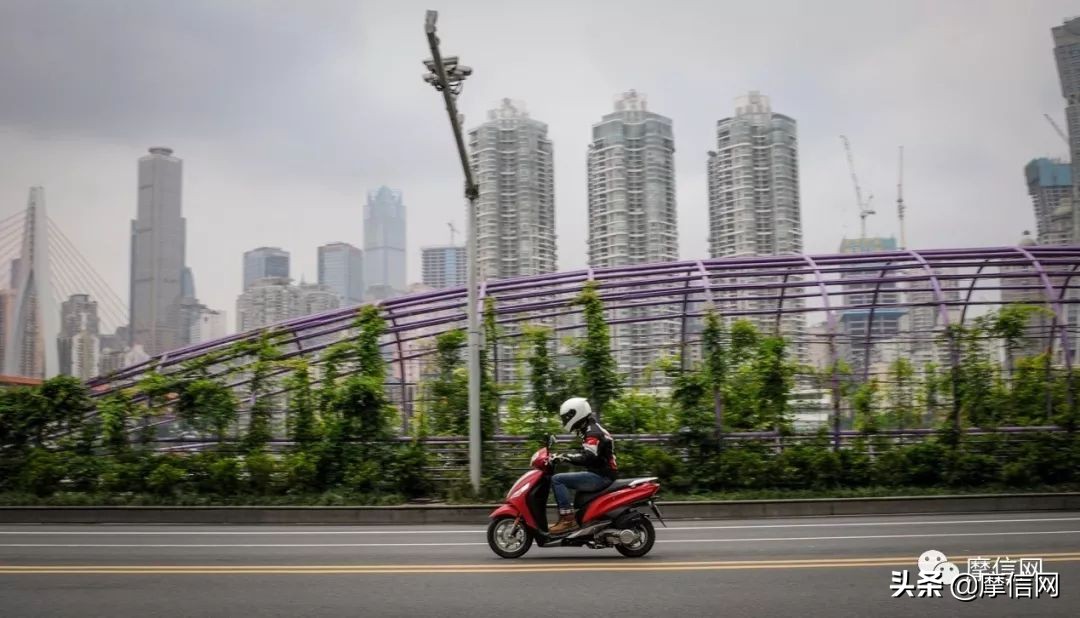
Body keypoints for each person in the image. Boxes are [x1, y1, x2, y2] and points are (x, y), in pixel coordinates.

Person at [547, 397, 617, 535]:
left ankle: (568, 520)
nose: (565, 421)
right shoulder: (591, 428)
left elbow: (588, 457)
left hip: (601, 476)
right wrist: (564, 456)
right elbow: (589, 453)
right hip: (601, 473)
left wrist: (564, 457)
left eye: (567, 417)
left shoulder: (592, 433)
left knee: (558, 479)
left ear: (576, 414)